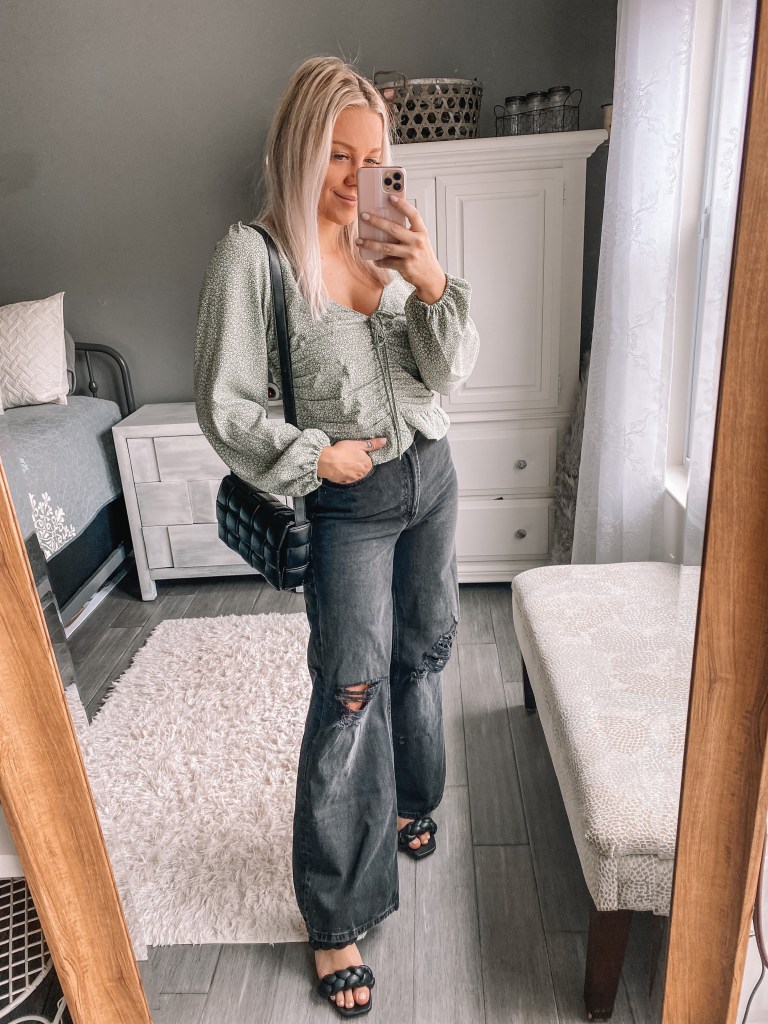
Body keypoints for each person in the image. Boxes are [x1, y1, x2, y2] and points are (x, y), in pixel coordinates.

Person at [194, 55, 480, 1018]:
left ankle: (409, 802)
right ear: (297, 148)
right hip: (349, 503)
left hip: (433, 477)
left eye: (373, 156)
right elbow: (225, 404)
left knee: (423, 651)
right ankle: (335, 916)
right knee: (351, 690)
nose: (359, 177)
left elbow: (446, 374)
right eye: (338, 155)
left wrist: (430, 278)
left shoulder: (383, 236)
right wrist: (317, 456)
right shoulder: (255, 256)